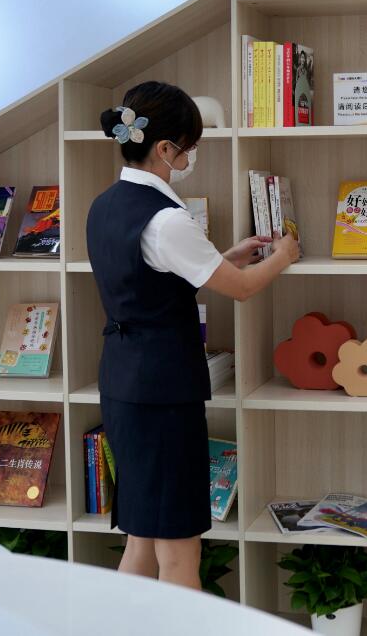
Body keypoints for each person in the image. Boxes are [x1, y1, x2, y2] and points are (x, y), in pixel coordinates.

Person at [87, 81, 299, 589]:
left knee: (141, 538)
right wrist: (284, 256)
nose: (190, 158)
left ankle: (124, 623)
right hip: (163, 394)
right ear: (165, 149)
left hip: (123, 383)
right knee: (180, 550)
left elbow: (151, 283)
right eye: (189, 148)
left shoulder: (105, 204)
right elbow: (242, 290)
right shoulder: (167, 219)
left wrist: (222, 257)